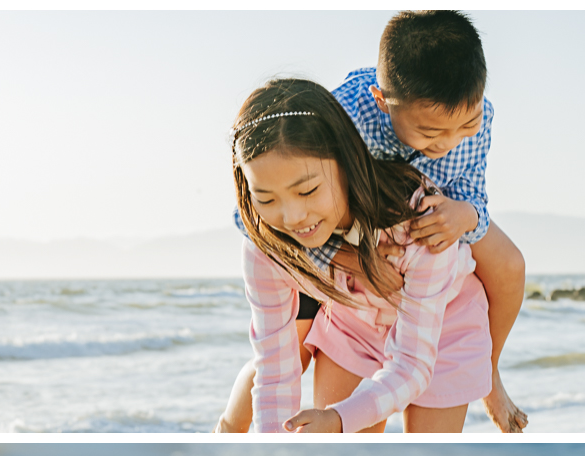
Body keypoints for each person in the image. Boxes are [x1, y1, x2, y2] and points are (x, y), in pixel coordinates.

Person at [217, 10, 527, 434]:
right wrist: (348, 259)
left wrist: (464, 214)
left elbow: (473, 188)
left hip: (423, 236)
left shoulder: (461, 141)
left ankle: (488, 371)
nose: (450, 141)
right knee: (288, 352)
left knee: (509, 266)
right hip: (339, 270)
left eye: (466, 125)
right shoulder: (341, 120)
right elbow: (258, 221)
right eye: (432, 132)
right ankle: (228, 431)